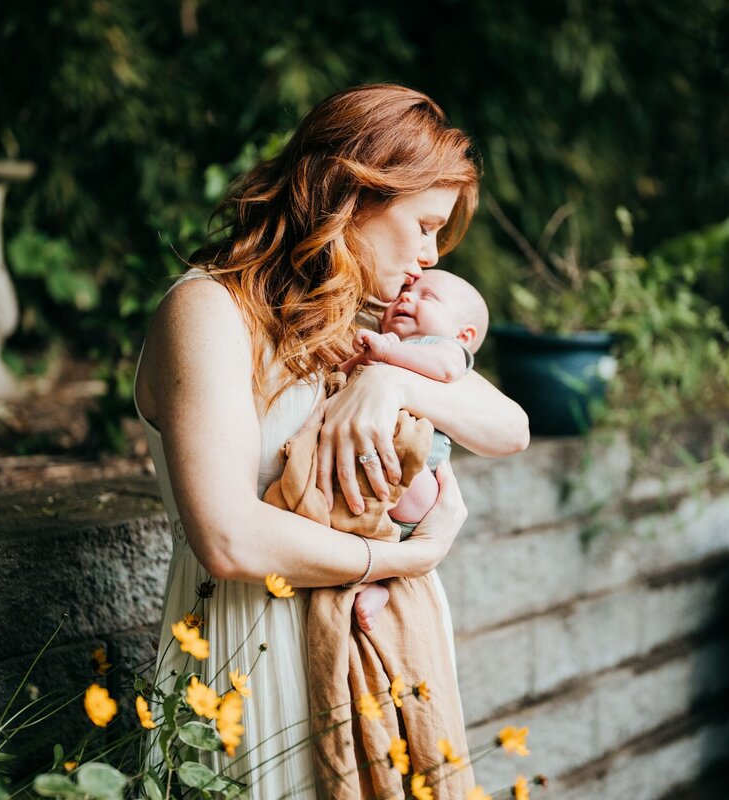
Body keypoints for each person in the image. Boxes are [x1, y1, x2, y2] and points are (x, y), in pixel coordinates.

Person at [133, 83, 529, 799]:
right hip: (252, 655)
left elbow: (511, 427)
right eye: (425, 225)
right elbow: (228, 537)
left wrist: (396, 385)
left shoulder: (362, 322)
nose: (433, 255)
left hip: (381, 653)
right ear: (353, 194)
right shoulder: (207, 312)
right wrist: (401, 558)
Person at [335, 269, 491, 632]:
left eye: (427, 297)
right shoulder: (384, 342)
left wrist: (388, 351)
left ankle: (382, 580)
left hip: (417, 479)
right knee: (375, 537)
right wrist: (356, 361)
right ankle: (378, 586)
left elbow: (446, 369)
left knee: (389, 530)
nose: (407, 298)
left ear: (463, 334)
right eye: (404, 292)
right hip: (372, 474)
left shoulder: (444, 349)